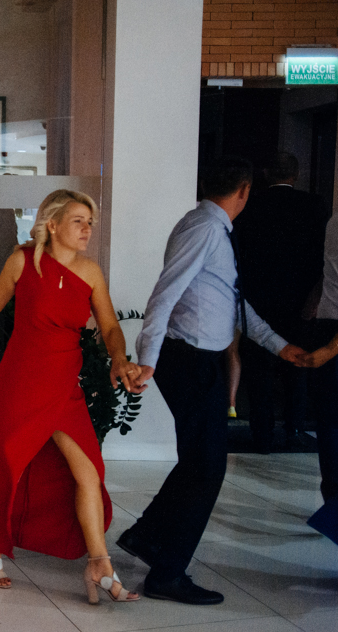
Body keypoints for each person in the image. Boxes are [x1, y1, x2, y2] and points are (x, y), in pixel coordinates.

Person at [0, 189, 144, 601]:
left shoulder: (90, 272)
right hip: (21, 381)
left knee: (88, 473)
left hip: (64, 386)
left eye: (90, 222)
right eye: (78, 221)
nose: (87, 229)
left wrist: (120, 359)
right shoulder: (23, 260)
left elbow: (109, 326)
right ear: (52, 224)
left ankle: (98, 563)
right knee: (6, 467)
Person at [121, 156, 306, 605]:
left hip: (196, 360)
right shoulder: (205, 228)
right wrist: (148, 359)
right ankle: (167, 574)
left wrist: (280, 346)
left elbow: (231, 302)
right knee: (207, 469)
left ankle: (147, 537)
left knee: (197, 464)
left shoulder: (209, 225)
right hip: (190, 360)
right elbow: (163, 294)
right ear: (244, 189)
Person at [235, 152, 328, 452]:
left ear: (265, 174)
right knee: (298, 364)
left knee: (258, 369)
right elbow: (322, 256)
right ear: (296, 175)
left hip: (257, 300)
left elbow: (239, 253)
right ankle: (294, 429)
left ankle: (261, 433)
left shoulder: (251, 205)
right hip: (300, 300)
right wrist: (315, 297)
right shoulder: (314, 206)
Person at [299, 211, 338, 538]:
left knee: (330, 425)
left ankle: (332, 508)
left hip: (328, 326)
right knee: (331, 426)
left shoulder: (334, 221)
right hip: (332, 333)